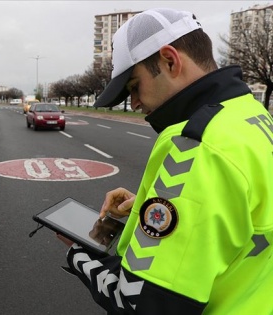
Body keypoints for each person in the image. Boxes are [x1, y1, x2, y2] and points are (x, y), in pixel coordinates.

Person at [58, 8, 273, 314]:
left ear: (170, 60)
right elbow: (241, 218)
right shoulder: (249, 115)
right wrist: (150, 204)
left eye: (134, 86)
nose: (133, 103)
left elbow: (140, 303)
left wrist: (78, 254)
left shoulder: (196, 144)